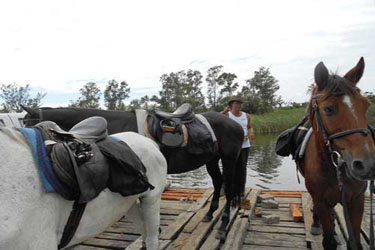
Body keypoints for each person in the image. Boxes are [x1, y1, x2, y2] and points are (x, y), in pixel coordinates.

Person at [221, 96, 255, 198]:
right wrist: (223, 113)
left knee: (242, 168)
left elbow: (249, 127)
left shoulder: (246, 116)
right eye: (236, 103)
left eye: (240, 103)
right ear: (231, 104)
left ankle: (240, 190)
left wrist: (251, 132)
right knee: (228, 167)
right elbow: (215, 120)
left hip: (244, 145)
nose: (238, 105)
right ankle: (225, 188)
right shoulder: (227, 115)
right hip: (230, 146)